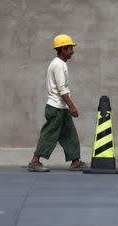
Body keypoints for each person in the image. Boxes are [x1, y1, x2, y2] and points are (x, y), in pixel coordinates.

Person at [28, 34, 87, 172]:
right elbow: (62, 88)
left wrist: (68, 107)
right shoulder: (58, 65)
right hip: (56, 108)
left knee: (69, 134)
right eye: (70, 49)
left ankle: (75, 161)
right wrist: (72, 106)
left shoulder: (60, 64)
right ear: (63, 49)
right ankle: (34, 162)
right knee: (49, 135)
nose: (72, 52)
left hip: (61, 107)